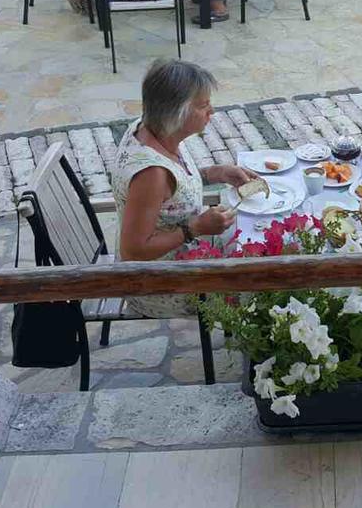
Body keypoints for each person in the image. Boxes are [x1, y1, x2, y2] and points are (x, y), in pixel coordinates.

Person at [111, 59, 259, 318]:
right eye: (203, 105)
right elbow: (133, 250)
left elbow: (172, 192)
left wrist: (216, 172)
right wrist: (196, 228)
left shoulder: (150, 128)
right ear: (176, 113)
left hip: (181, 255)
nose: (211, 111)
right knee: (261, 273)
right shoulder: (151, 173)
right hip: (162, 283)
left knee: (259, 233)